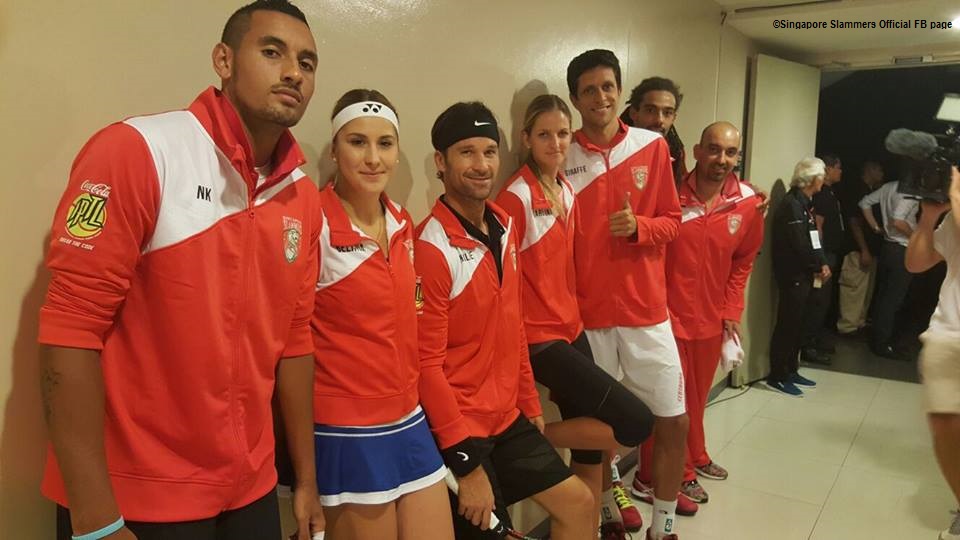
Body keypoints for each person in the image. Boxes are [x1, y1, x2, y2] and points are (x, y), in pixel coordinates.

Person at [38, 2, 324, 539]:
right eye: (272, 52)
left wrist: (306, 479)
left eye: (306, 63)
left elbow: (294, 340)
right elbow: (69, 331)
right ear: (223, 60)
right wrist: (95, 520)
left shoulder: (302, 198)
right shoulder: (138, 150)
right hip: (133, 497)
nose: (293, 72)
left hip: (250, 490)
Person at [415, 101, 594, 540]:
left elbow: (513, 325)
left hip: (506, 416)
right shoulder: (431, 248)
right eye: (467, 152)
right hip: (459, 430)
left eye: (490, 151)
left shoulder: (504, 225)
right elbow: (425, 366)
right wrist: (465, 464)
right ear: (441, 162)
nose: (481, 165)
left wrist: (529, 402)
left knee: (580, 503)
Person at [495, 94, 655, 539]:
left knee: (588, 452)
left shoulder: (566, 189)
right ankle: (519, 441)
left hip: (572, 327)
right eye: (544, 134)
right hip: (539, 339)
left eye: (563, 133)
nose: (556, 143)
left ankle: (588, 527)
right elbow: (504, 284)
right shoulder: (515, 196)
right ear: (526, 139)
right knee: (635, 422)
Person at [309, 89, 453, 539]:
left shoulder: (401, 221)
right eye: (357, 142)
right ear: (334, 150)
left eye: (385, 143)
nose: (373, 158)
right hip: (347, 429)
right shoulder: (314, 224)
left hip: (409, 417)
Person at [564, 49, 689, 540]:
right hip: (589, 315)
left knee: (673, 420)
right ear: (576, 98)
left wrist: (641, 227)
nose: (600, 97)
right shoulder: (562, 154)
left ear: (620, 91)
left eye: (608, 86)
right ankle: (608, 514)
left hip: (646, 312)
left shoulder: (651, 147)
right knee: (597, 428)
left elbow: (673, 221)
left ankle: (664, 525)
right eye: (589, 90)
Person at [661, 122, 764, 504]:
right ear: (698, 150)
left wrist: (731, 308)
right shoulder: (670, 195)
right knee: (674, 402)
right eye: (714, 149)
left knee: (697, 397)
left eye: (730, 152)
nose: (722, 159)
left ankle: (697, 454)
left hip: (710, 318)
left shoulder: (748, 203)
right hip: (668, 319)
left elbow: (743, 261)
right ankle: (681, 473)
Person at [904, 166, 960, 540]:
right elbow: (916, 263)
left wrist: (955, 198)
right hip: (947, 333)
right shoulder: (953, 217)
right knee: (945, 426)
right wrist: (928, 219)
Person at [767, 157, 830, 397]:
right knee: (788, 325)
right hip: (792, 275)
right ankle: (778, 375)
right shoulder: (791, 204)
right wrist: (817, 265)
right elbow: (799, 244)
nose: (823, 180)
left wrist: (822, 262)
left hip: (804, 274)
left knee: (799, 324)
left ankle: (791, 369)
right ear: (813, 178)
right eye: (822, 175)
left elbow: (813, 238)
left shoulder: (805, 203)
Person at [859, 177, 920, 359]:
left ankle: (878, 340)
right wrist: (917, 238)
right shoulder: (910, 192)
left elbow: (864, 203)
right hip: (902, 248)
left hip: (887, 247)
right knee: (893, 300)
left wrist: (876, 227)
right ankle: (883, 344)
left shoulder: (889, 186)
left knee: (884, 297)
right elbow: (898, 221)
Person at [801, 154, 844, 365]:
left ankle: (815, 338)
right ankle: (808, 344)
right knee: (818, 301)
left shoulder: (829, 194)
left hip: (830, 253)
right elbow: (818, 227)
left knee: (823, 301)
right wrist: (821, 258)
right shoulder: (823, 196)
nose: (840, 172)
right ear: (827, 169)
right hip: (825, 255)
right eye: (838, 167)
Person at [836, 161, 885, 336]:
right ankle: (848, 327)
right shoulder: (858, 191)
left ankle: (858, 323)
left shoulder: (871, 192)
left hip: (869, 249)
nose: (882, 173)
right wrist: (863, 249)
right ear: (869, 170)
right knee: (854, 289)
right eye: (879, 169)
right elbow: (854, 221)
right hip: (857, 249)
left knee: (865, 291)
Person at [619, 77, 687, 187]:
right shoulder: (614, 152)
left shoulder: (676, 154)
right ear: (634, 113)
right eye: (650, 110)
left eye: (667, 113)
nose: (659, 120)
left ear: (674, 118)